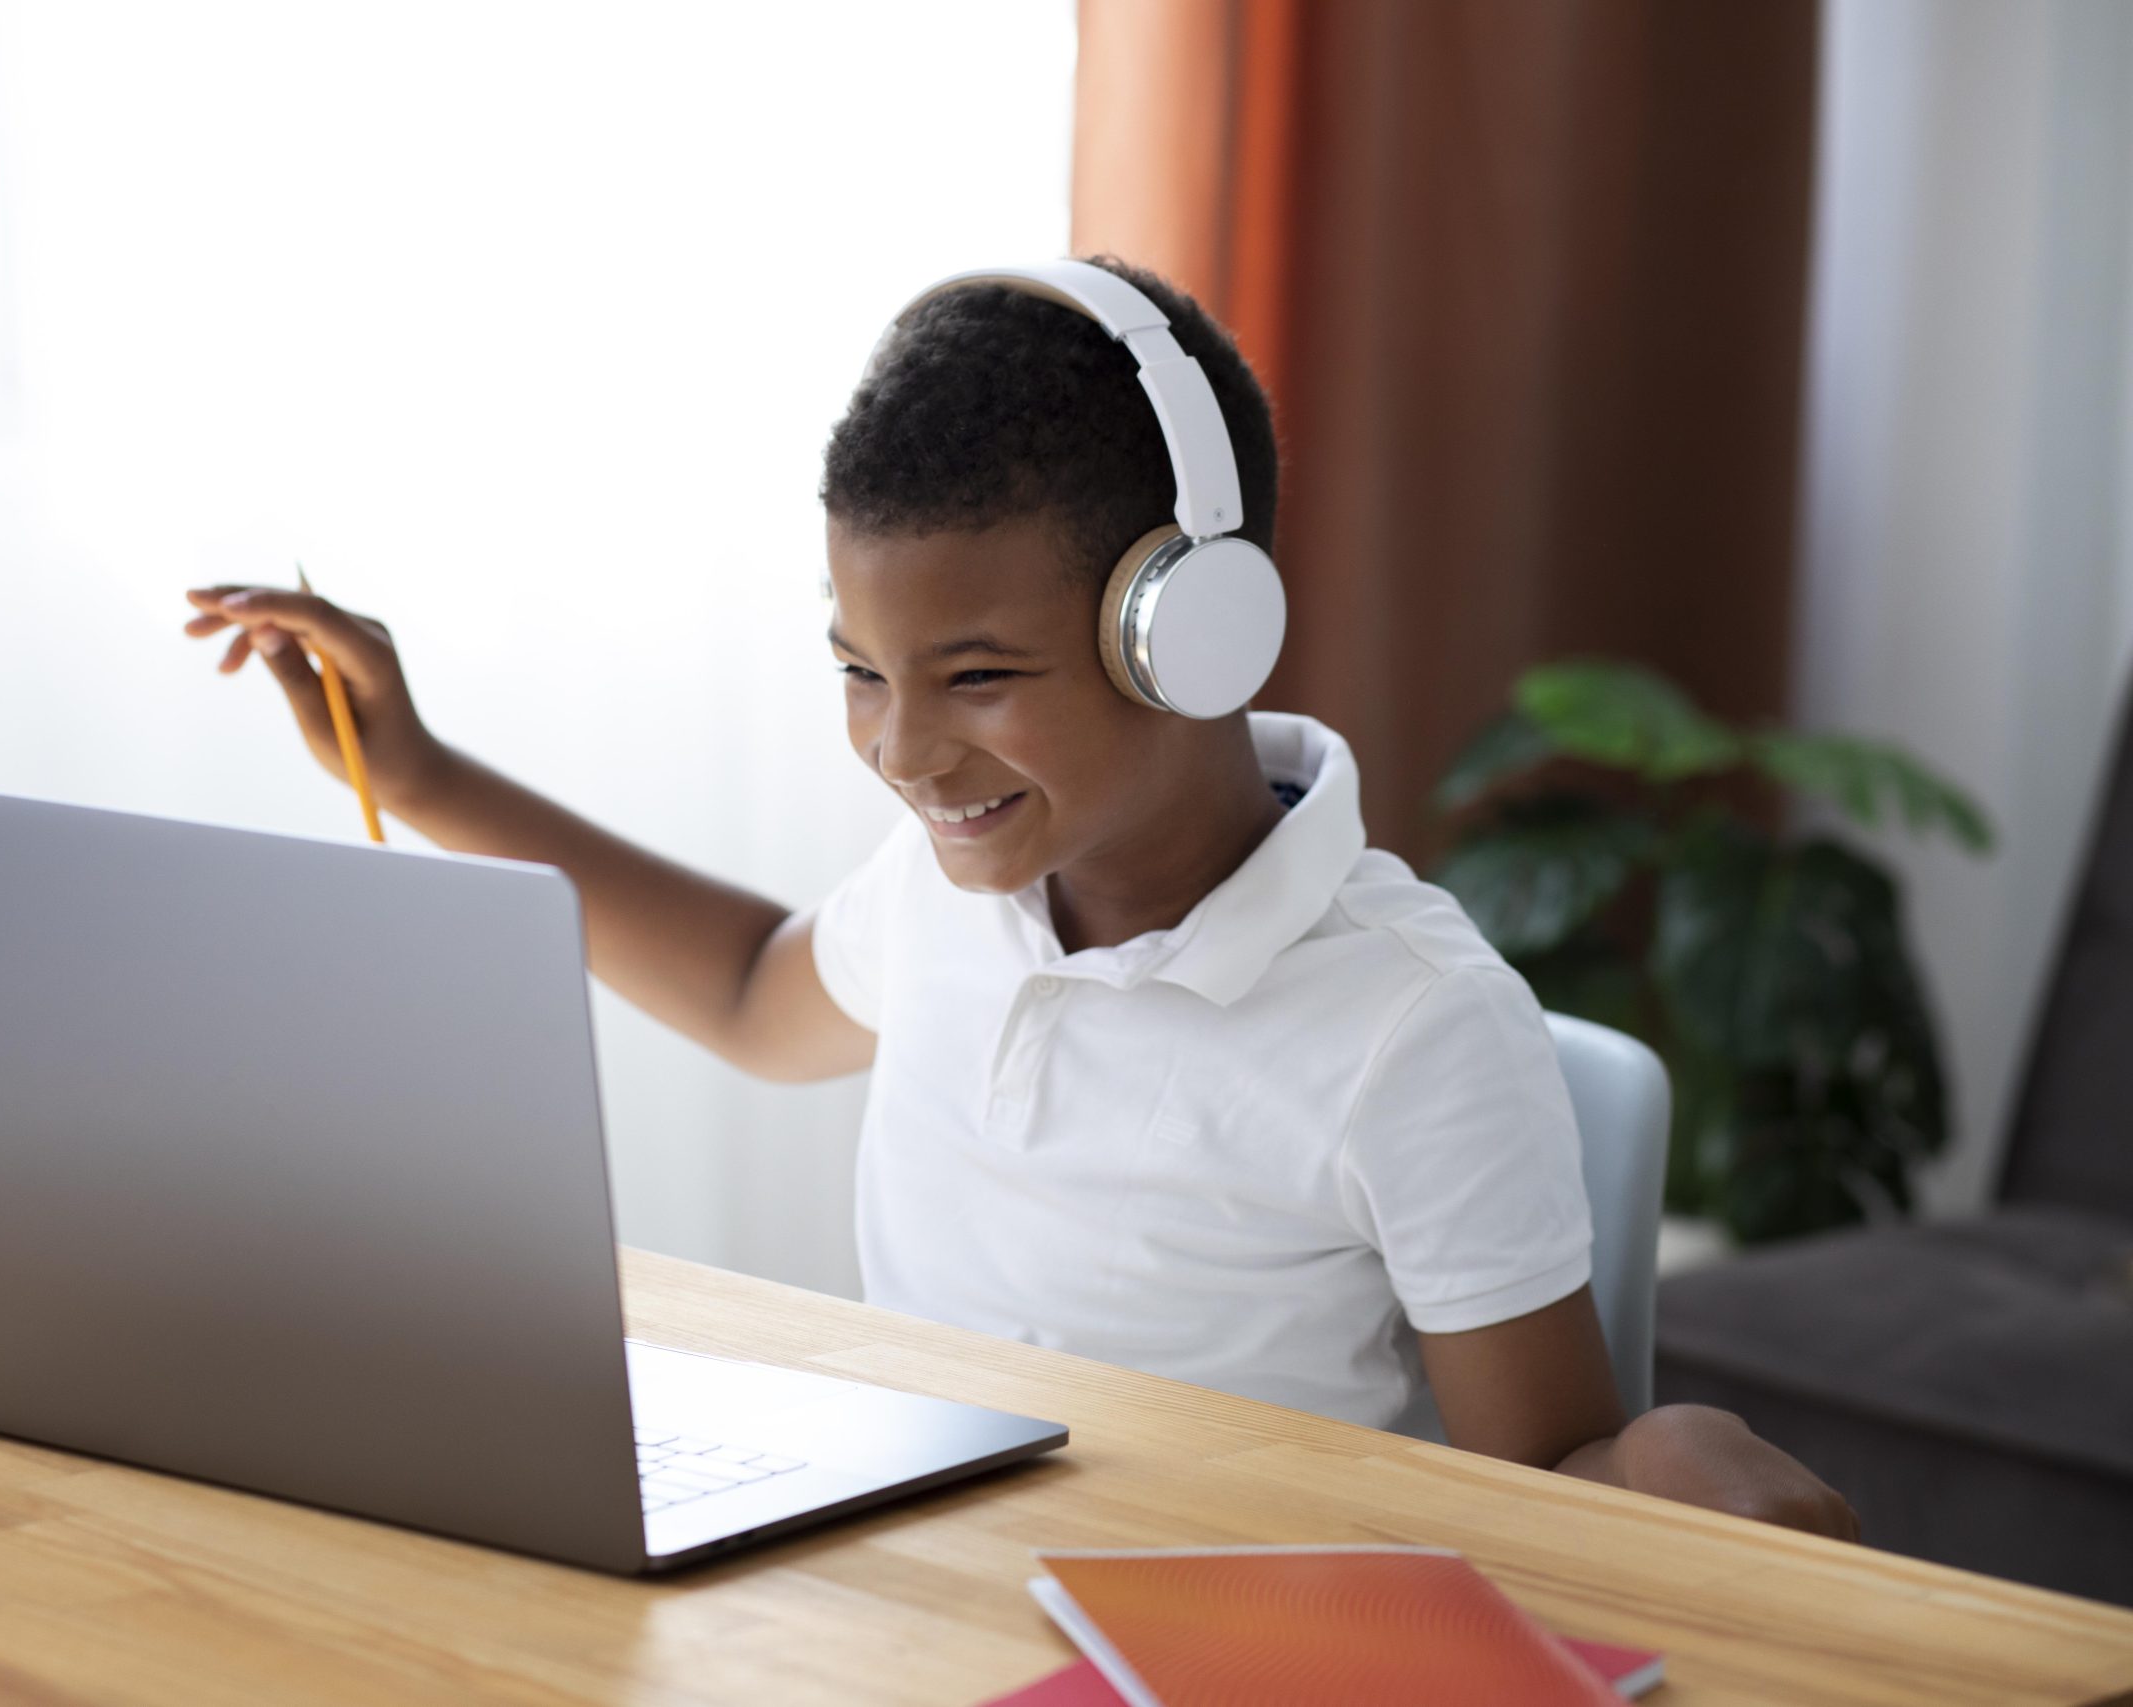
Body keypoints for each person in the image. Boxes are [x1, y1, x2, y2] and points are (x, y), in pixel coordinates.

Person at [182, 257, 1856, 1540]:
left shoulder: (1409, 1027)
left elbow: (1546, 1489)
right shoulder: (956, 892)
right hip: (916, 1573)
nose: (903, 749)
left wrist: (1676, 1463)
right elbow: (762, 993)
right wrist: (415, 778)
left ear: (1195, 637)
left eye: (975, 675)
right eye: (859, 671)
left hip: (1220, 1638)